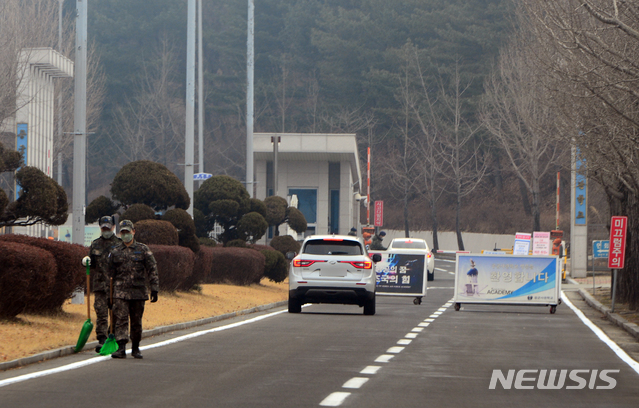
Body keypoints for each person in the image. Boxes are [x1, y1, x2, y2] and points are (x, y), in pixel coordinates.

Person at [108, 220, 159, 359]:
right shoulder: (115, 251)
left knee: (136, 321)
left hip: (138, 292)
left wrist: (154, 288)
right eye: (123, 232)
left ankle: (135, 347)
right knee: (121, 320)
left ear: (133, 232)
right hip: (120, 292)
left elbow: (152, 269)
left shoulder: (143, 249)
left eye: (128, 232)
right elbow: (110, 275)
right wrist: (109, 295)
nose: (125, 235)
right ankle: (121, 348)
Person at [88, 215, 121, 353]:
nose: (106, 230)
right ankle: (101, 339)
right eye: (103, 228)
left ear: (113, 227)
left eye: (108, 227)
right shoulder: (95, 244)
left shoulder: (119, 244)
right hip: (100, 285)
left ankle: (112, 336)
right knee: (101, 312)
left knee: (114, 312)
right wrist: (86, 262)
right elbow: (92, 263)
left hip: (115, 286)